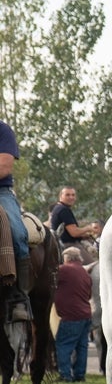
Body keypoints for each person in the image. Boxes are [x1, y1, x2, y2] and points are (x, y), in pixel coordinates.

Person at [0, 121, 32, 322]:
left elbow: (5, 165)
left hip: (1, 192)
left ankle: (18, 296)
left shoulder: (3, 131)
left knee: (16, 231)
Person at [54, 246, 93, 383]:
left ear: (67, 258)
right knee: (82, 347)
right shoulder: (84, 272)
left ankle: (65, 375)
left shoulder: (64, 270)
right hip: (86, 315)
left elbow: (50, 278)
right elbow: (89, 295)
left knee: (63, 344)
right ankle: (79, 375)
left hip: (71, 316)